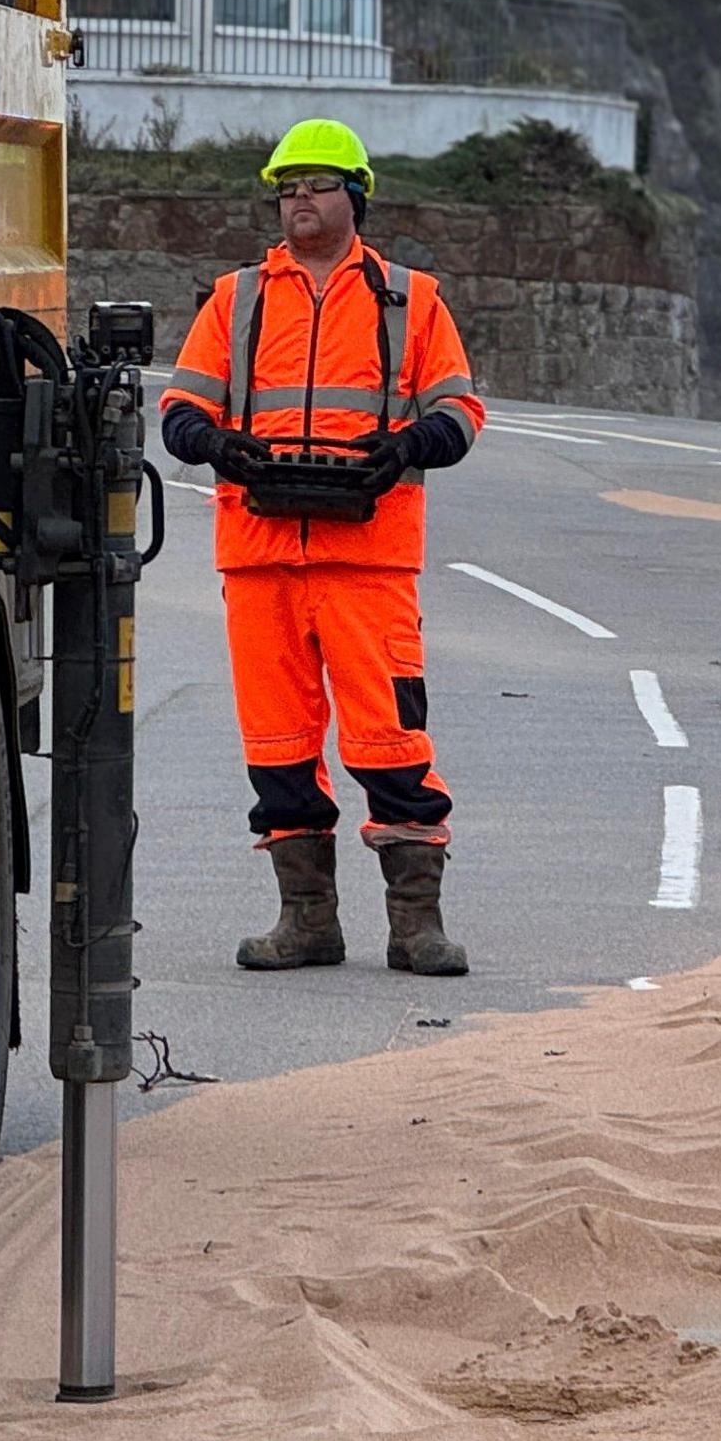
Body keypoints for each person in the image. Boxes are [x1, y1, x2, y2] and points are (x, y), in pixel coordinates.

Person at [158, 119, 487, 976]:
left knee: (392, 744)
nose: (298, 199)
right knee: (277, 746)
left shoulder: (410, 299)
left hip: (368, 563)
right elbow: (180, 410)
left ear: (356, 197)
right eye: (287, 186)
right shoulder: (237, 298)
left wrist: (410, 447)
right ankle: (307, 922)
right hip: (261, 557)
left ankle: (416, 927)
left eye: (316, 184)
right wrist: (215, 445)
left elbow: (459, 413)